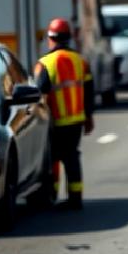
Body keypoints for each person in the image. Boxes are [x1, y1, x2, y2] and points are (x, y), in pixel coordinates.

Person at [34, 18, 95, 210]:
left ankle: (51, 195)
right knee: (72, 158)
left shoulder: (45, 63)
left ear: (50, 38)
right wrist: (89, 117)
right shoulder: (81, 62)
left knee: (53, 158)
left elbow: (40, 94)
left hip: (55, 121)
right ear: (69, 38)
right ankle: (75, 197)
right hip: (76, 120)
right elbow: (89, 91)